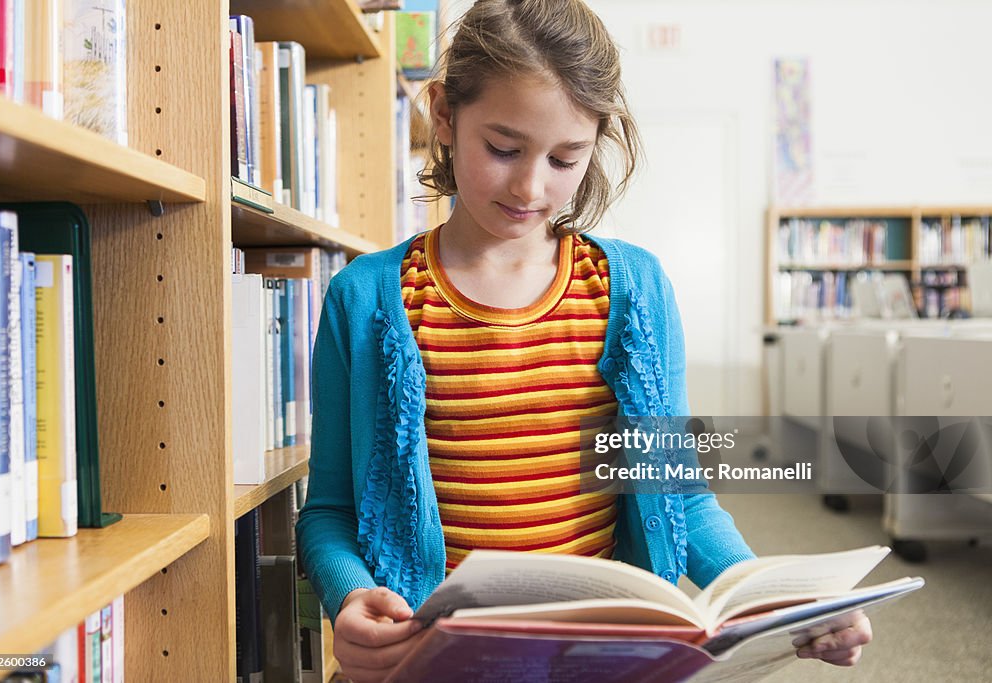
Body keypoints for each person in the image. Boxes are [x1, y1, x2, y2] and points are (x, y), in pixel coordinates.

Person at [295, 1, 872, 680]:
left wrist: (777, 598)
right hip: (430, 663)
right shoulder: (365, 298)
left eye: (566, 158)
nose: (531, 186)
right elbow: (328, 511)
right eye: (503, 148)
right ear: (445, 115)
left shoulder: (632, 290)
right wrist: (350, 593)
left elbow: (678, 497)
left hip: (593, 659)